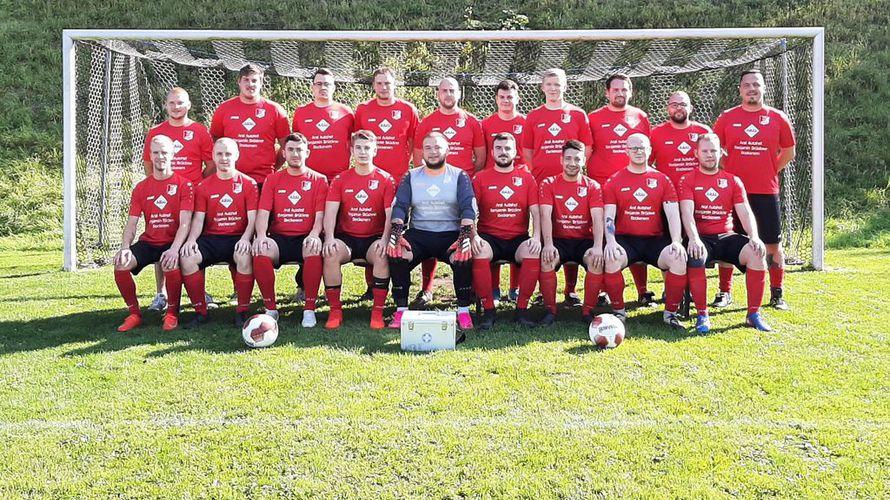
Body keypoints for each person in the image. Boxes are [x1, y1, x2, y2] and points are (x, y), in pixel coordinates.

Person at [712, 69, 796, 310]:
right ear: (740, 90)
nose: (752, 89)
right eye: (747, 85)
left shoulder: (778, 117)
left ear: (763, 88)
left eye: (756, 84)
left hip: (766, 191)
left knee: (772, 245)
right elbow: (714, 149)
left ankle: (777, 293)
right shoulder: (727, 117)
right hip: (732, 194)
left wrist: (770, 169)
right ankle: (724, 291)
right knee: (728, 241)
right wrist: (728, 169)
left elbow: (789, 152)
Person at [679, 133, 772, 333]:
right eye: (705, 151)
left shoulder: (732, 181)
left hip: (726, 236)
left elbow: (745, 212)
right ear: (696, 153)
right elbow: (687, 213)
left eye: (713, 150)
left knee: (757, 254)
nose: (709, 155)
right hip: (701, 238)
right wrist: (693, 239)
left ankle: (753, 314)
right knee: (696, 255)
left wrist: (754, 236)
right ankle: (702, 314)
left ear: (721, 153)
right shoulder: (688, 179)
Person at [387, 132, 477, 336]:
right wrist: (396, 234)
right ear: (422, 152)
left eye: (437, 147)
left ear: (447, 150)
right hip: (419, 234)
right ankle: (401, 310)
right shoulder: (411, 176)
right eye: (428, 148)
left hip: (450, 234)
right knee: (397, 253)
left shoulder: (459, 175)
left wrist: (464, 237)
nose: (433, 152)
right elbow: (400, 206)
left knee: (462, 256)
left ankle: (463, 311)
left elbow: (468, 208)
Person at [521, 68, 594, 307]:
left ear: (565, 86)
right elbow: (527, 151)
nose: (553, 88)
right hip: (544, 184)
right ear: (542, 87)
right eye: (549, 84)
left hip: (572, 183)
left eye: (558, 84)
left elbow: (586, 148)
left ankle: (570, 290)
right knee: (546, 234)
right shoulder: (533, 116)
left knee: (572, 230)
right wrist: (539, 171)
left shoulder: (578, 114)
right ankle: (545, 290)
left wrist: (573, 170)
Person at [602, 133, 687, 329]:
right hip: (626, 240)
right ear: (626, 151)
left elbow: (673, 215)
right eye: (634, 148)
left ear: (649, 150)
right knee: (612, 257)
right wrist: (611, 241)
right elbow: (609, 216)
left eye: (642, 148)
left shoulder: (662, 180)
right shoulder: (615, 180)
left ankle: (670, 314)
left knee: (678, 258)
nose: (638, 152)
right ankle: (619, 313)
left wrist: (676, 241)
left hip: (654, 240)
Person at [412, 78, 485, 306]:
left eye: (452, 90)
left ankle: (470, 288)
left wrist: (466, 182)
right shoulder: (427, 122)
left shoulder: (472, 121)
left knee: (468, 234)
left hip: (463, 189)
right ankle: (427, 289)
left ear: (459, 93)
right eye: (444, 90)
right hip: (433, 189)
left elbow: (481, 157)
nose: (448, 94)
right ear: (437, 94)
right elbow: (418, 156)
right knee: (430, 231)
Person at [141, 87, 214, 313]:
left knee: (193, 243)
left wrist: (197, 184)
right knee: (161, 239)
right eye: (172, 103)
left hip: (192, 197)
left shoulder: (199, 131)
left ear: (188, 105)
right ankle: (161, 293)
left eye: (180, 103)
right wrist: (159, 186)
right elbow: (148, 164)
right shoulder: (155, 132)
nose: (176, 107)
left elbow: (210, 164)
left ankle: (199, 291)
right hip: (164, 197)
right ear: (165, 105)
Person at [113, 135, 194, 332]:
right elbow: (132, 223)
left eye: (164, 152)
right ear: (150, 155)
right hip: (150, 242)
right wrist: (125, 248)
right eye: (156, 152)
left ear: (172, 154)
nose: (160, 156)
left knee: (169, 262)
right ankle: (134, 314)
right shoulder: (141, 187)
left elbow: (185, 223)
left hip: (173, 242)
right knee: (121, 263)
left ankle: (172, 313)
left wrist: (174, 249)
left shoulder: (184, 185)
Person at [353, 67, 420, 300]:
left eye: (388, 83)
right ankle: (373, 285)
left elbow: (413, 143)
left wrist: (409, 171)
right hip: (369, 181)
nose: (384, 87)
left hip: (398, 181)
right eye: (379, 83)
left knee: (397, 231)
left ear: (395, 85)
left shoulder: (408, 109)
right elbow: (357, 141)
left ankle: (400, 284)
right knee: (372, 229)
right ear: (373, 85)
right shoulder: (363, 109)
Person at [588, 74, 654, 306]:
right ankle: (605, 290)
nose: (620, 93)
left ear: (631, 92)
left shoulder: (640, 116)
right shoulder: (593, 118)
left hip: (634, 188)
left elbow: (646, 151)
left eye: (624, 89)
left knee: (636, 234)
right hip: (603, 187)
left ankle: (643, 291)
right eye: (615, 89)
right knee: (604, 237)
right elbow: (588, 151)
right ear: (607, 92)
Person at [179, 138, 258, 329]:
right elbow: (198, 219)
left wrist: (246, 238)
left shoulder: (249, 183)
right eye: (219, 154)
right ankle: (201, 312)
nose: (224, 158)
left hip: (238, 237)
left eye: (228, 154)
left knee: (244, 256)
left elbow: (253, 219)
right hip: (211, 239)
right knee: (188, 257)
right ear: (213, 157)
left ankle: (242, 311)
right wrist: (191, 240)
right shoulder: (203, 186)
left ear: (236, 155)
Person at [321, 130, 396, 330]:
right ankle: (335, 311)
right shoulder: (340, 179)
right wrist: (329, 238)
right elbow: (330, 213)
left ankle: (377, 312)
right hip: (347, 238)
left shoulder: (386, 179)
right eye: (358, 148)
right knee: (330, 253)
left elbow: (390, 214)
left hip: (374, 237)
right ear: (352, 151)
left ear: (375, 151)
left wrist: (385, 239)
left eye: (367, 148)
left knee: (381, 254)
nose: (363, 152)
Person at [251, 133, 327, 328]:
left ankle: (309, 310)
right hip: (280, 238)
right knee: (260, 249)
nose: (295, 154)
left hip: (306, 237)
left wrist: (314, 234)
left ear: (307, 153)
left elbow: (320, 216)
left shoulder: (319, 180)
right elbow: (263, 212)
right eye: (291, 150)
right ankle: (271, 309)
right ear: (283, 153)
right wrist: (261, 236)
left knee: (313, 248)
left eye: (299, 150)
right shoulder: (272, 179)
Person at [471, 133, 541, 329]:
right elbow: (470, 211)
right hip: (489, 237)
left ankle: (522, 310)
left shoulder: (526, 178)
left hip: (518, 238)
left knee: (532, 251)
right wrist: (474, 236)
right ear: (492, 152)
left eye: (507, 148)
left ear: (515, 152)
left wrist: (536, 237)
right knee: (479, 251)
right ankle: (489, 311)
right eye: (499, 148)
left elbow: (536, 212)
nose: (503, 152)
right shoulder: (481, 178)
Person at [538, 140, 604, 326]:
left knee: (596, 260)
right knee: (547, 259)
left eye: (577, 159)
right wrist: (548, 244)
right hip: (558, 240)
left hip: (584, 240)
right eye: (568, 158)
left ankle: (587, 311)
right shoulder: (548, 183)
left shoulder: (593, 186)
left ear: (584, 161)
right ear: (561, 160)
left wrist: (598, 247)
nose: (572, 163)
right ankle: (550, 311)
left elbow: (598, 219)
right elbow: (545, 216)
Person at [481, 79, 528, 304]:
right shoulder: (486, 123)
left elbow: (529, 152)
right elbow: (482, 153)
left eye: (510, 97)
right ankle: (493, 288)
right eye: (502, 97)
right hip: (492, 182)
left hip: (518, 182)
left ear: (517, 98)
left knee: (518, 230)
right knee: (491, 230)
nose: (506, 101)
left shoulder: (526, 122)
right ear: (496, 99)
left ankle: (515, 288)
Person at [292, 67, 356, 180]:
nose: (323, 87)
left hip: (339, 178)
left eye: (327, 84)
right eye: (319, 84)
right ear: (312, 87)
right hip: (308, 178)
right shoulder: (301, 112)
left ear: (334, 88)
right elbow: (296, 143)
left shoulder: (346, 112)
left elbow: (353, 141)